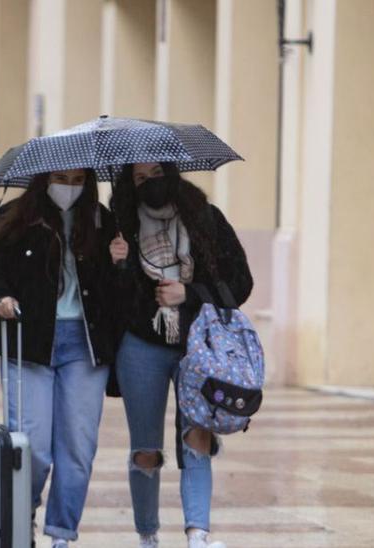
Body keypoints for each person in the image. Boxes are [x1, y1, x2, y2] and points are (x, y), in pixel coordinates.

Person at [0, 168, 129, 547]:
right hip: (30, 343)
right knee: (33, 446)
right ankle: (22, 511)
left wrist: (117, 262)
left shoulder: (104, 223)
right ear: (44, 180)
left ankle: (61, 533)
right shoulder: (17, 218)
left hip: (85, 347)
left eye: (77, 181)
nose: (68, 188)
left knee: (77, 448)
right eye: (61, 178)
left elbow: (118, 297)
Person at [110, 162, 253, 548]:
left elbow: (241, 282)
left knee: (197, 437)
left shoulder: (205, 218)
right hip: (140, 346)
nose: (150, 184)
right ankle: (147, 535)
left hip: (198, 348)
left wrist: (187, 294)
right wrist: (118, 264)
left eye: (156, 173)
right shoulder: (119, 224)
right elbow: (107, 298)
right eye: (140, 179)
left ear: (172, 173)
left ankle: (198, 535)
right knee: (145, 450)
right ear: (129, 185)